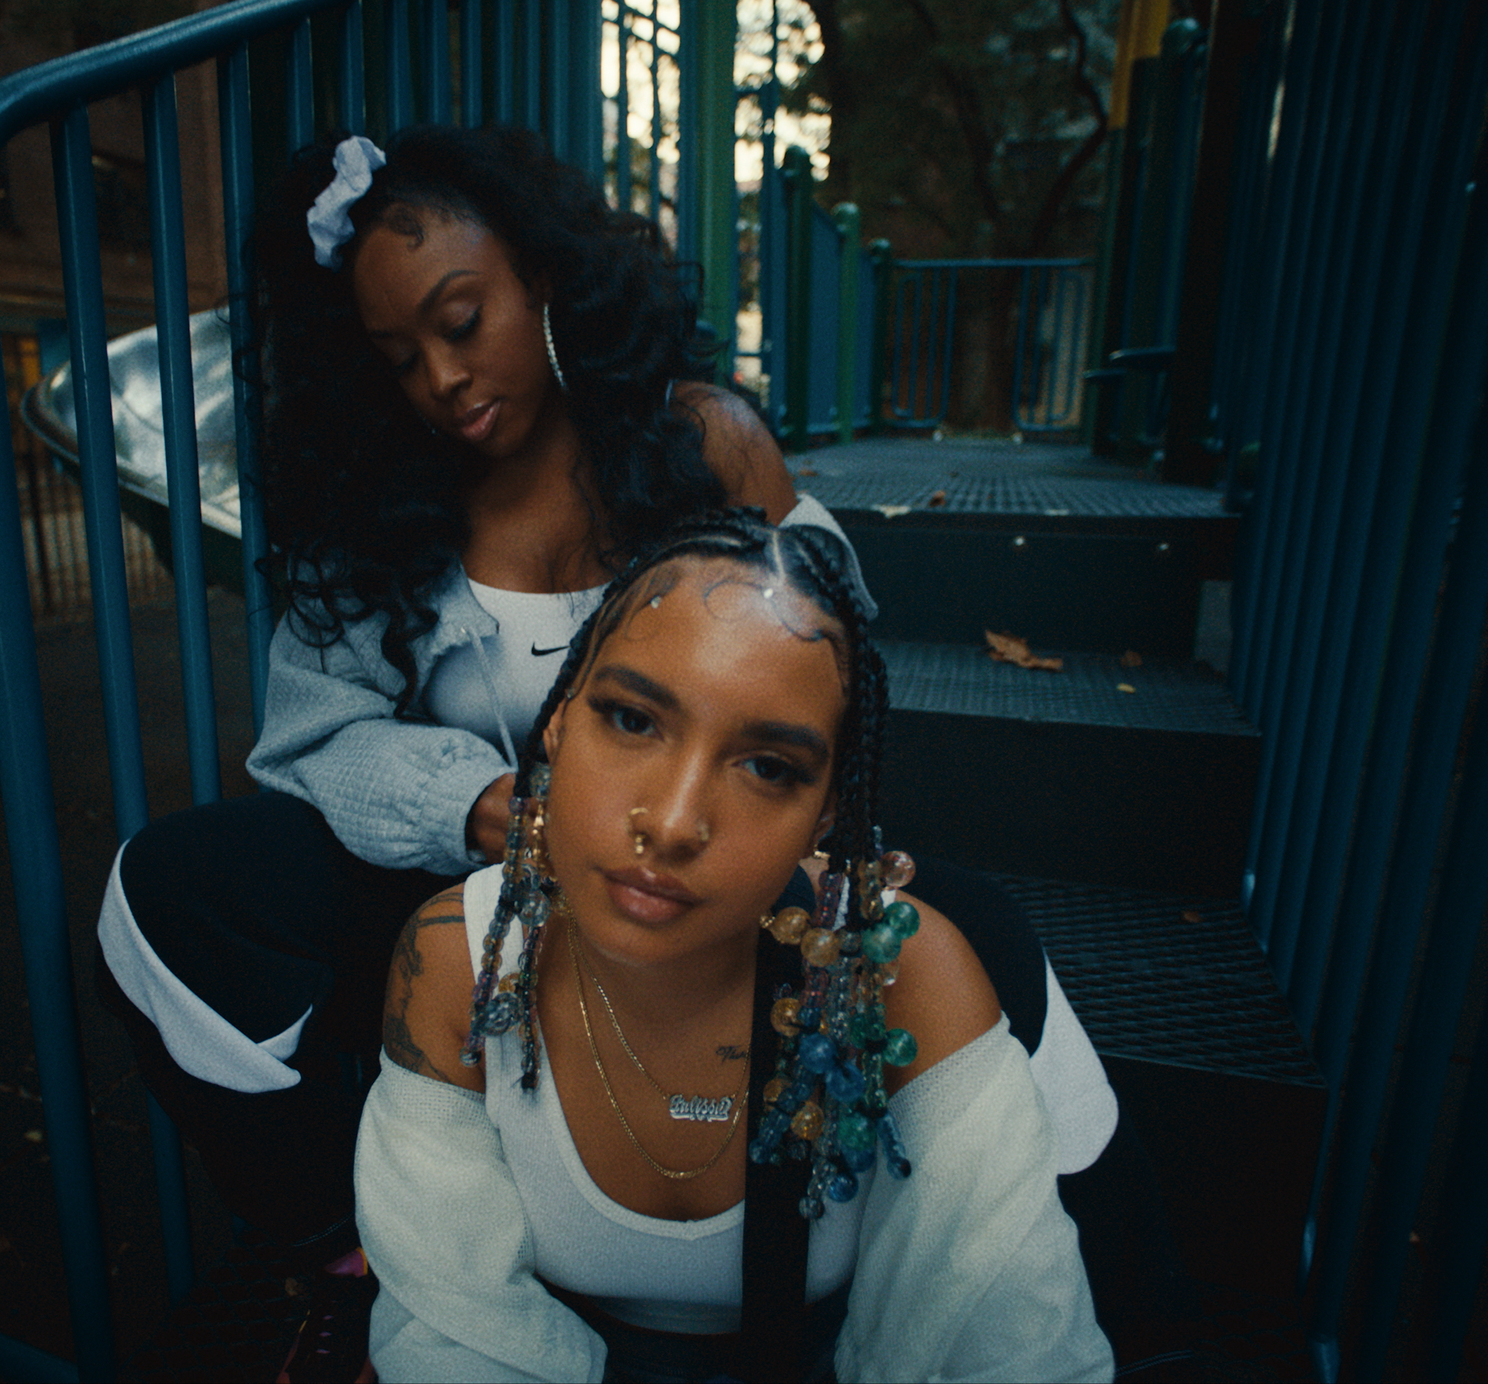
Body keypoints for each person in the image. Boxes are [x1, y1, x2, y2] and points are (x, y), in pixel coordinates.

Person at [95, 124, 1113, 1256]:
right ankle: (347, 1235)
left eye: (460, 320)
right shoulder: (373, 509)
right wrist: (477, 805)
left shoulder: (699, 441)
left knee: (984, 937)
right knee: (163, 890)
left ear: (540, 275)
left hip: (705, 880)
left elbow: (838, 667)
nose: (439, 377)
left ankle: (1099, 1286)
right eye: (397, 354)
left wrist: (781, 830)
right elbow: (309, 738)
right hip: (492, 897)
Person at [360, 511, 1113, 1382]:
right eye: (633, 720)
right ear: (560, 721)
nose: (675, 823)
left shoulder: (902, 976)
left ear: (825, 816)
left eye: (769, 768)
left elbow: (1018, 1349)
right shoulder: (459, 957)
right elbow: (448, 1333)